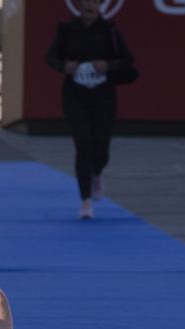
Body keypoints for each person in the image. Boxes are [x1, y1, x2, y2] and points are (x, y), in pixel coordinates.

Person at [46, 0, 136, 220]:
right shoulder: (68, 30)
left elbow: (128, 61)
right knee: (83, 144)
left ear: (99, 6)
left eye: (94, 2)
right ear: (78, 5)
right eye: (85, 2)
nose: (89, 6)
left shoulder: (110, 31)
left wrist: (108, 65)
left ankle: (96, 173)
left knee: (101, 148)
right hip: (75, 95)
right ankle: (85, 201)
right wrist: (63, 66)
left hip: (103, 95)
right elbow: (50, 57)